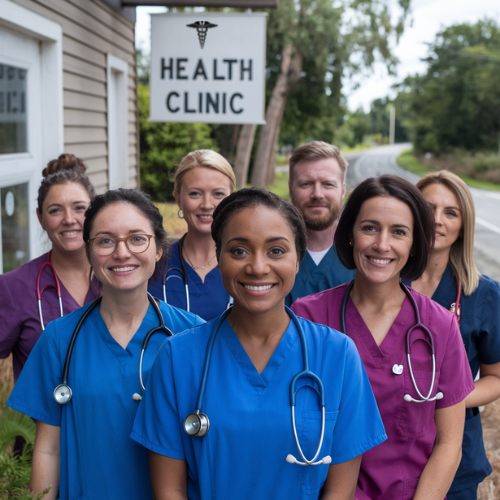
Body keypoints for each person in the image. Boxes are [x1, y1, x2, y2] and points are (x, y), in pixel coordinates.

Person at [132, 188, 387, 500]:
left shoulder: (337, 356)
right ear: (219, 256)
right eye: (238, 251)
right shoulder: (177, 357)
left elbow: (339, 491)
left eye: (276, 251)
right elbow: (170, 491)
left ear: (298, 260)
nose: (257, 267)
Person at [7, 189, 204, 500]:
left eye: (137, 239)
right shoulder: (60, 339)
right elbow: (48, 450)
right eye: (105, 241)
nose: (121, 253)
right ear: (89, 252)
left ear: (157, 249)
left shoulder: (193, 335)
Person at [291, 175, 475, 500]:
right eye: (370, 228)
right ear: (349, 234)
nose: (382, 244)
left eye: (399, 232)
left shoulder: (441, 326)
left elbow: (449, 443)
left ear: (416, 243)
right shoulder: (308, 317)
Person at [410, 171, 500, 500]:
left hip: (456, 452)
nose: (437, 220)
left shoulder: (484, 294)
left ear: (464, 226)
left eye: (451, 212)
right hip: (387, 444)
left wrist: (450, 402)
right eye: (427, 207)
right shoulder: (381, 282)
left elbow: (496, 377)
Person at [0, 154, 101, 383]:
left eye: (79, 208)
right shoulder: (13, 287)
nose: (68, 219)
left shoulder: (119, 276)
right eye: (55, 210)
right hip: (49, 419)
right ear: (41, 218)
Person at [148, 150, 235, 321]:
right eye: (195, 193)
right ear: (178, 199)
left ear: (232, 199)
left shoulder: (246, 263)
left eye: (218, 194)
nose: (207, 205)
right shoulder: (154, 265)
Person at [286, 141, 355, 306]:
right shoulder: (271, 253)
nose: (317, 194)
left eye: (328, 184)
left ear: (343, 191)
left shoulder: (363, 255)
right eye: (306, 184)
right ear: (291, 189)